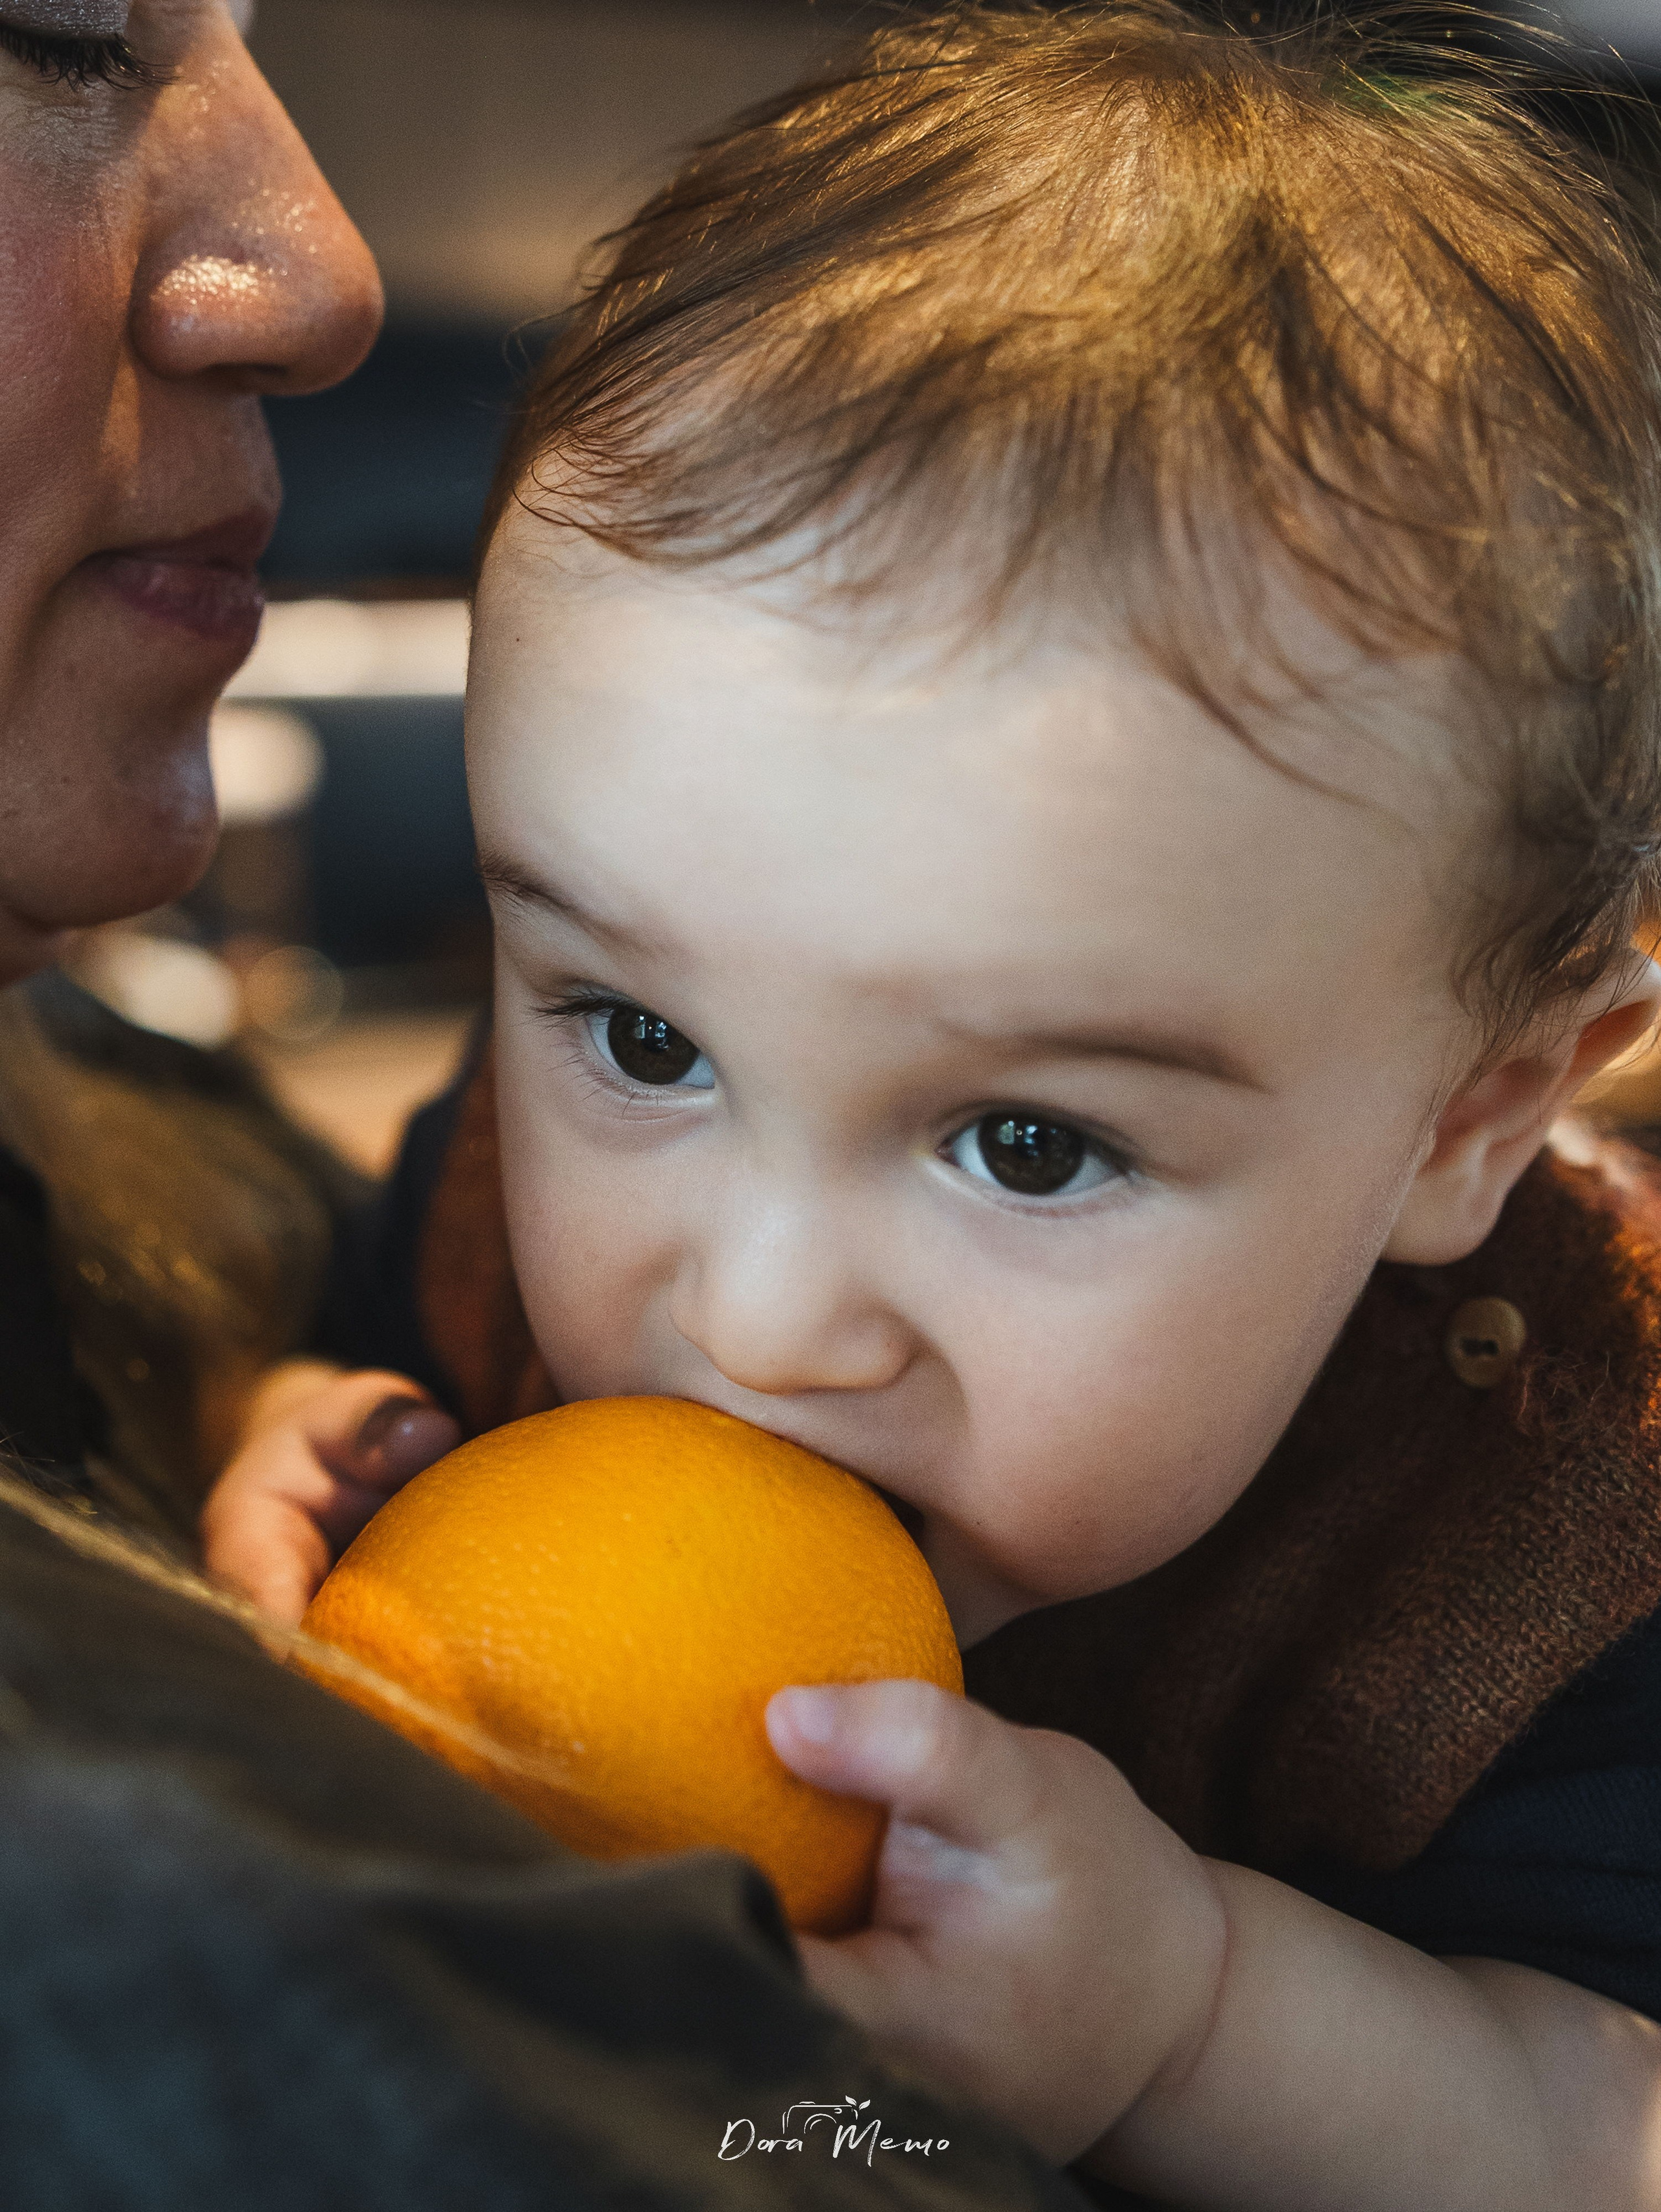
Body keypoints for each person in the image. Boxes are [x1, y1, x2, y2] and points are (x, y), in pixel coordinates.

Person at [206, 5, 1661, 2206]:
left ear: (1475, 1110)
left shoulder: (1577, 1545)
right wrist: (311, 1425)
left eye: (1031, 1142)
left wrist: (1188, 2016)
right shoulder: (494, 1216)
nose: (766, 1316)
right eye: (643, 1036)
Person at [0, 6, 1078, 2207]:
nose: (326, 267)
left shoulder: (1535, 1558)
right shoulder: (139, 1917)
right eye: (53, 35)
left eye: (1041, 1138)